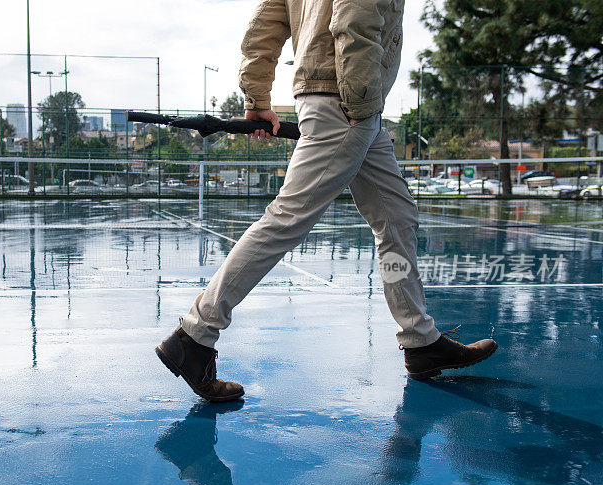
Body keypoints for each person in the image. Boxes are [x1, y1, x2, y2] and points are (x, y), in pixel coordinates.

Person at [155, 0, 497, 402]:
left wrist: (257, 94)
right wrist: (361, 102)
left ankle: (420, 341)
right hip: (350, 100)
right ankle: (194, 335)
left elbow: (266, 22)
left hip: (350, 101)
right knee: (287, 219)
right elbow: (355, 18)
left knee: (397, 218)